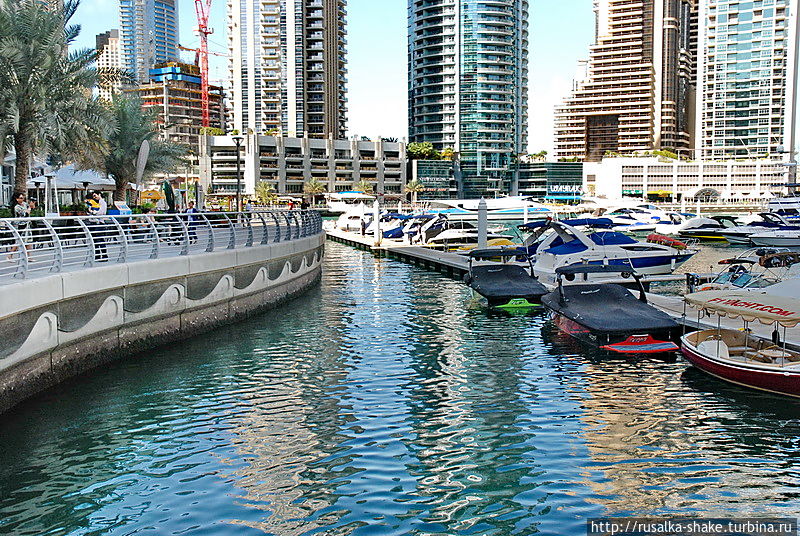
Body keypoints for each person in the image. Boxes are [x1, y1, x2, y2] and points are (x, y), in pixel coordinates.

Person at [7, 193, 32, 260]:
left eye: (23, 198)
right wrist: (28, 210)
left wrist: (29, 208)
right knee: (19, 241)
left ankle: (29, 257)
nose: (22, 199)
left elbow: (30, 208)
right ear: (17, 199)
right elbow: (25, 214)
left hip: (27, 224)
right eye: (21, 198)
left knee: (28, 241)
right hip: (20, 226)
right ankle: (10, 256)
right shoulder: (17, 207)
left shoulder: (24, 204)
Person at [85, 192, 108, 261]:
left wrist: (94, 212)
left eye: (95, 196)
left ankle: (104, 255)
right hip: (93, 223)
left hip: (100, 223)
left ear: (99, 195)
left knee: (100, 239)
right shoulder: (93, 203)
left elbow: (102, 212)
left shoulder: (102, 203)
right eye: (93, 196)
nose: (94, 197)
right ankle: (97, 255)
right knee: (94, 240)